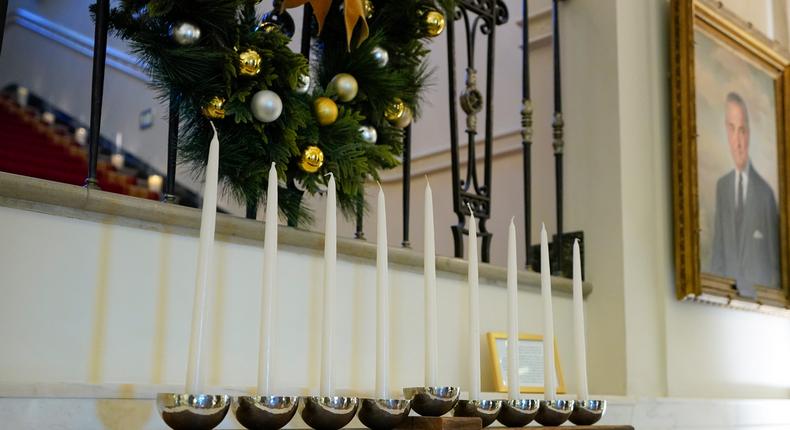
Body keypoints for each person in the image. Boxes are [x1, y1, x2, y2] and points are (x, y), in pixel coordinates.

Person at [711, 92, 779, 297]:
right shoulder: (722, 188)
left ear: (748, 134)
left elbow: (776, 269)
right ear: (725, 131)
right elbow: (718, 257)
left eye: (741, 131)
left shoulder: (765, 195)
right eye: (731, 129)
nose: (737, 141)